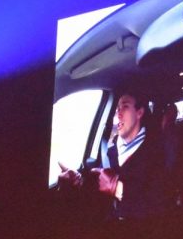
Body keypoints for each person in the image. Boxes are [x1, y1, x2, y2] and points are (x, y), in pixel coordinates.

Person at [58, 90, 168, 220]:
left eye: (125, 106)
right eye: (117, 108)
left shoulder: (156, 152)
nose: (118, 114)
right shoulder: (110, 148)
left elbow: (157, 206)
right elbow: (99, 184)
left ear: (139, 112)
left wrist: (117, 188)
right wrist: (78, 181)